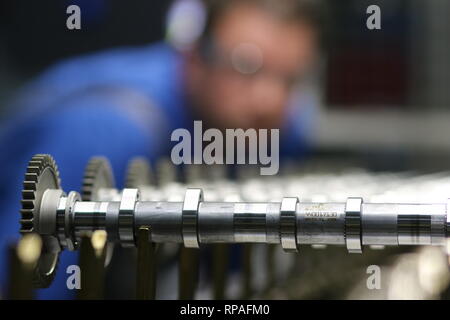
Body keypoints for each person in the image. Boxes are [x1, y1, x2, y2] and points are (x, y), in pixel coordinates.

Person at [0, 0, 323, 298]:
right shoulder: (106, 130)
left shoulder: (275, 128)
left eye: (290, 79)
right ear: (194, 57)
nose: (270, 101)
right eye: (246, 67)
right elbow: (28, 280)